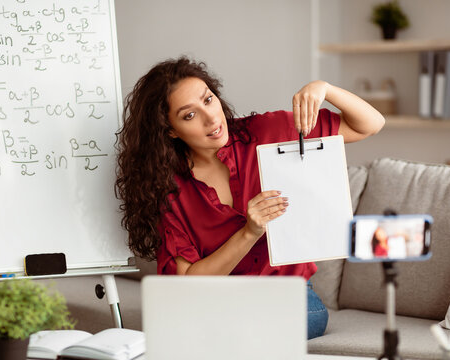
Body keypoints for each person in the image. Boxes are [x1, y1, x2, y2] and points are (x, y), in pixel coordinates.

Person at [115, 57, 385, 339]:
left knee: (232, 334)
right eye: (189, 115)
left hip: (289, 300)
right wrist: (249, 232)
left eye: (208, 100)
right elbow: (187, 284)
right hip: (220, 304)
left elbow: (370, 124)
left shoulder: (268, 133)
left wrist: (324, 89)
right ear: (170, 130)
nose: (211, 118)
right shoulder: (168, 188)